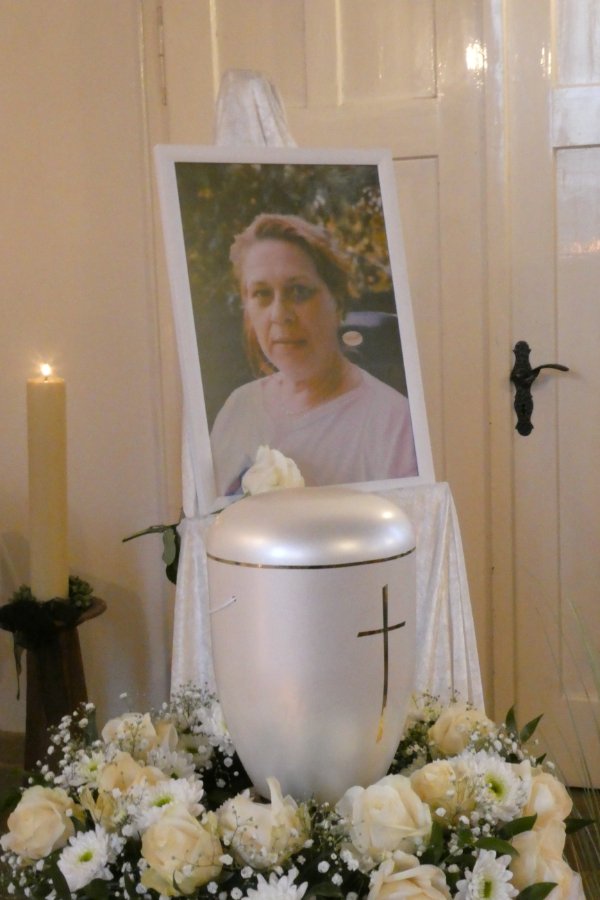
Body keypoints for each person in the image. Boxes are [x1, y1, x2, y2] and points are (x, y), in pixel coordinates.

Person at [210, 212, 418, 495]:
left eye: (299, 291)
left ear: (338, 302)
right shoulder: (239, 408)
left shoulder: (395, 425)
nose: (280, 314)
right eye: (262, 294)